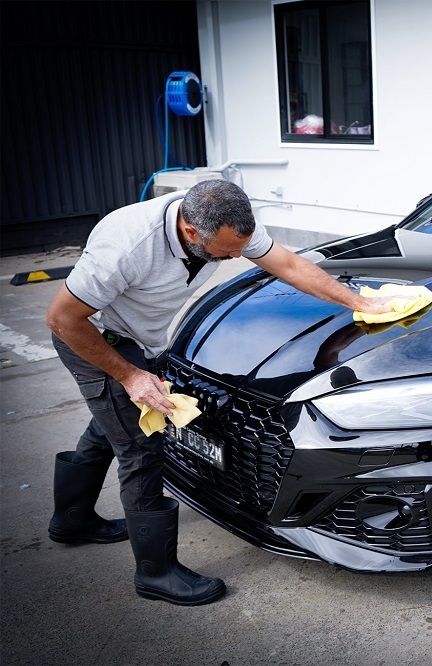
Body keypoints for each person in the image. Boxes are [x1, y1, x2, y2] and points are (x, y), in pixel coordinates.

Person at [44, 179, 402, 606]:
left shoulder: (227, 223)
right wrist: (130, 375)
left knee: (111, 427)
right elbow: (63, 319)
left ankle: (72, 520)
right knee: (141, 449)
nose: (238, 257)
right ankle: (155, 575)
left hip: (141, 338)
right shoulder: (127, 245)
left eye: (241, 248)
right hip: (95, 339)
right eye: (228, 252)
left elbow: (287, 264)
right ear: (192, 232)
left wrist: (358, 302)